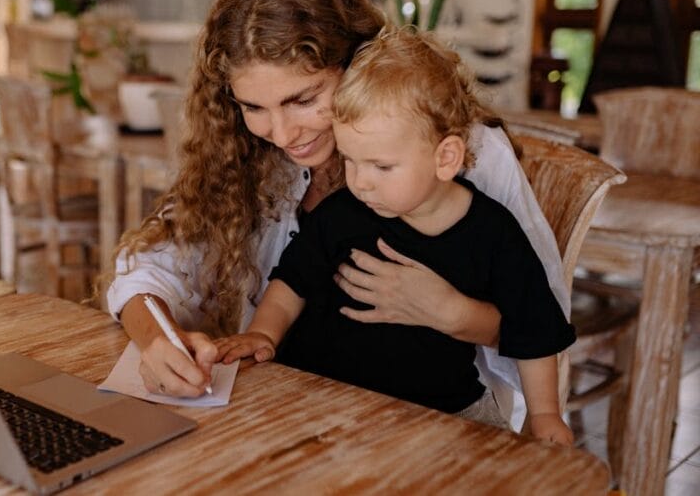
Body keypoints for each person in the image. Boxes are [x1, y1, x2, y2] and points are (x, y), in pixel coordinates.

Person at [103, 0, 570, 432]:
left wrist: (454, 313)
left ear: (357, 64)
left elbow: (541, 318)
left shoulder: (464, 150)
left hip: (435, 419)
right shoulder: (244, 151)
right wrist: (157, 341)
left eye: (303, 99)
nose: (283, 134)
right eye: (253, 107)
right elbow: (145, 269)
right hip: (299, 409)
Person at [213, 27, 575, 444]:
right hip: (329, 399)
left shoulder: (495, 234)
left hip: (442, 406)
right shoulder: (342, 213)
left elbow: (535, 328)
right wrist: (263, 334)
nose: (361, 182)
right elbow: (290, 282)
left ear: (446, 158)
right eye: (350, 160)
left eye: (381, 167)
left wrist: (546, 412)